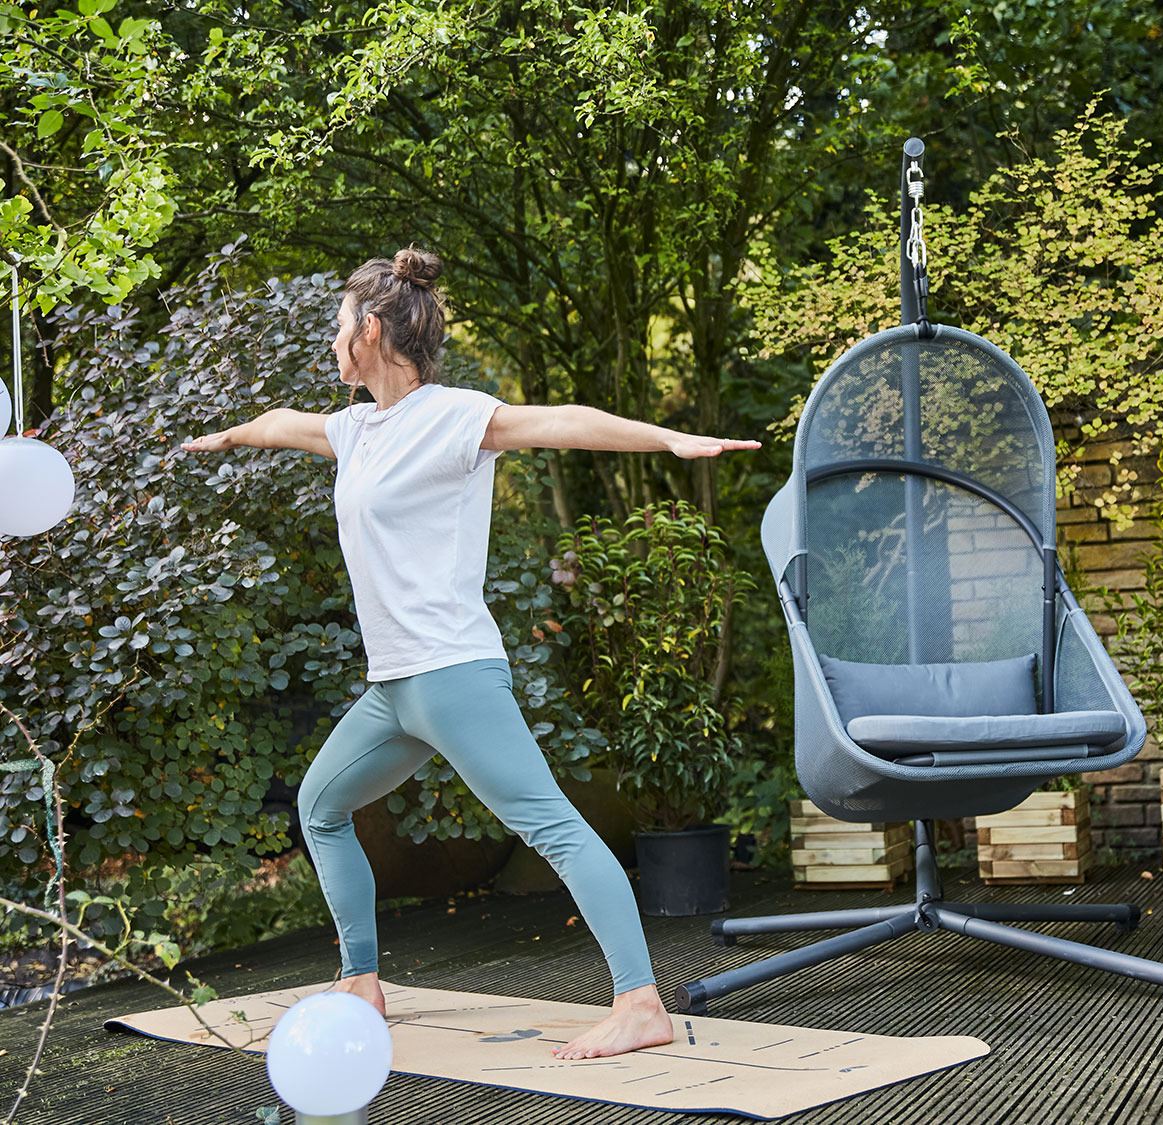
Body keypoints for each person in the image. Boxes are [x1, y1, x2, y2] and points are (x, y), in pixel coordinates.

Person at [181, 247, 759, 1059]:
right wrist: (226, 436)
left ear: (371, 330)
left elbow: (564, 420)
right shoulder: (355, 429)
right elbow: (282, 424)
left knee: (551, 826)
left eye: (339, 324)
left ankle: (639, 1002)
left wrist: (668, 439)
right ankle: (361, 980)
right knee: (320, 805)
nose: (332, 340)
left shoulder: (453, 417)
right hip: (394, 688)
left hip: (452, 673)